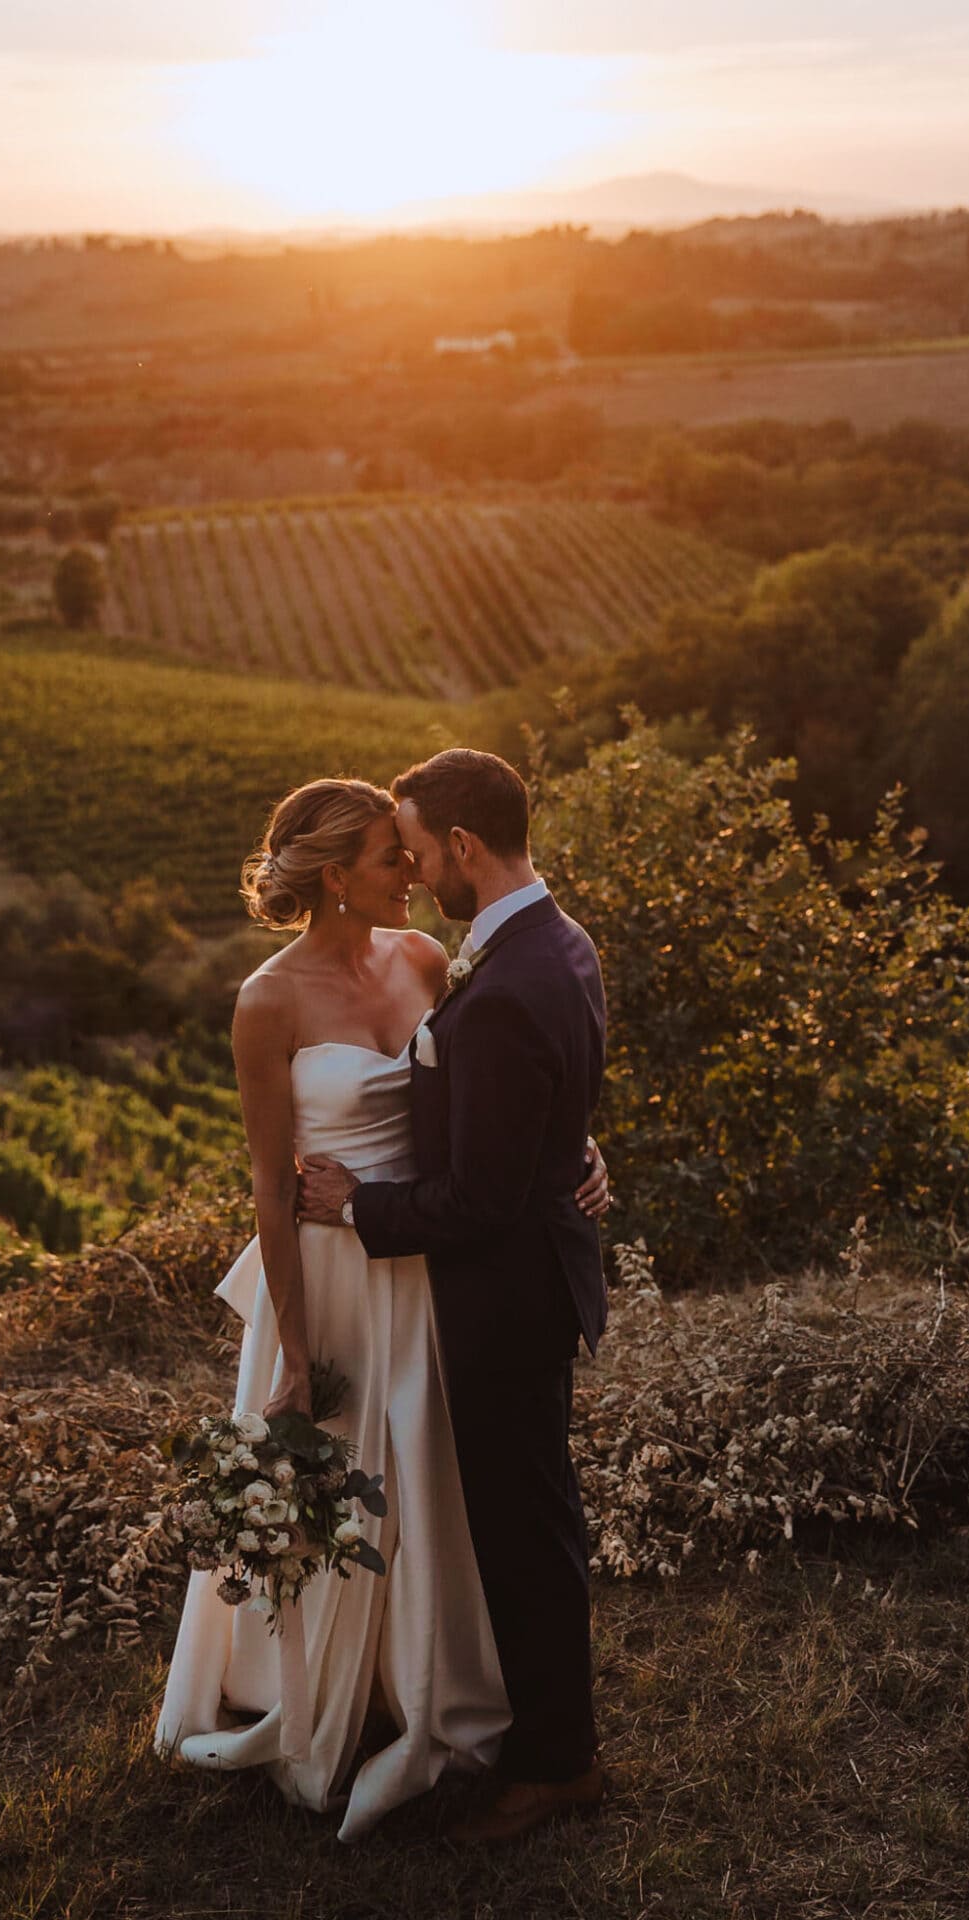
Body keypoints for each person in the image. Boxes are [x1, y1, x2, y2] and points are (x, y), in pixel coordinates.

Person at [154, 775, 609, 1842]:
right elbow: (270, 1186)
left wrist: (576, 1151)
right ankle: (324, 1693)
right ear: (333, 877)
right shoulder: (266, 1000)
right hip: (330, 1272)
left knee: (432, 1488)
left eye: (410, 850)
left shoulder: (425, 961)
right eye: (385, 855)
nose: (409, 870)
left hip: (433, 1257)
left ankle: (427, 1685)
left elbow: (498, 1094)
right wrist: (299, 1347)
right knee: (338, 1482)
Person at [299, 749, 609, 1846]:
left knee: (525, 1531)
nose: (420, 873)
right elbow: (537, 1103)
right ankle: (537, 1728)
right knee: (535, 1518)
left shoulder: (506, 984)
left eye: (423, 851)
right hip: (536, 1271)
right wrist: (571, 1149)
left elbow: (477, 1200)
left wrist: (357, 1207)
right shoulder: (554, 941)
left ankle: (554, 1762)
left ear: (465, 849)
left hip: (504, 1295)